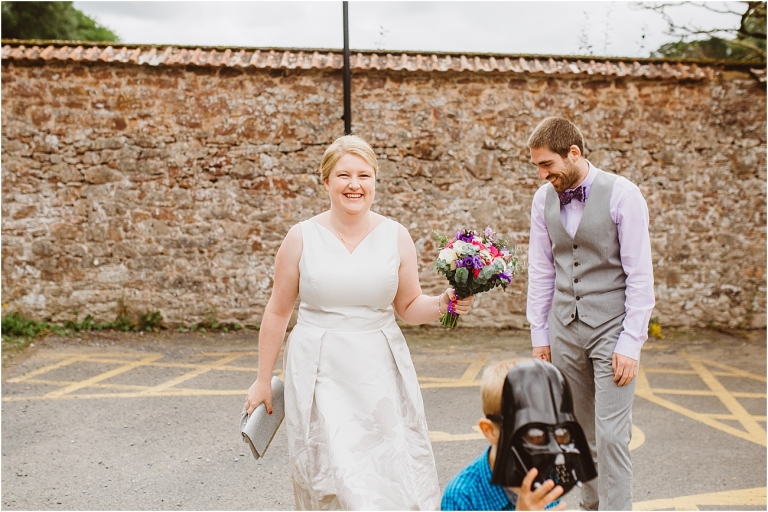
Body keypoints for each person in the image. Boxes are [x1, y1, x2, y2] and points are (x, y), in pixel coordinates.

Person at [245, 134, 475, 510]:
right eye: (343, 175)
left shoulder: (395, 236)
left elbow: (408, 305)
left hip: (378, 368)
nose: (354, 184)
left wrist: (444, 303)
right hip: (319, 368)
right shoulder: (300, 237)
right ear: (326, 182)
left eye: (364, 176)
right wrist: (262, 379)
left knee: (386, 470)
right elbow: (277, 311)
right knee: (331, 473)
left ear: (375, 181)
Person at [525, 117, 655, 510]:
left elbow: (640, 274)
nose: (543, 174)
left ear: (574, 153)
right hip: (563, 328)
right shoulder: (542, 198)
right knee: (580, 432)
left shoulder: (623, 195)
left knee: (613, 435)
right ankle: (591, 506)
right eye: (537, 167)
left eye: (547, 164)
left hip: (612, 330)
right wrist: (540, 336)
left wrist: (631, 342)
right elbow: (542, 269)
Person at [442, 358, 593, 511]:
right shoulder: (461, 497)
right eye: (534, 434)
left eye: (561, 434)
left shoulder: (547, 472)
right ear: (489, 431)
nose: (552, 446)